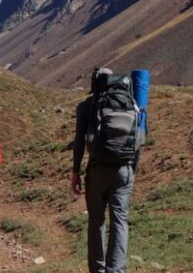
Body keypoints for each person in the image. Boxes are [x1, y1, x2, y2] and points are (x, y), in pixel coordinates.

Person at [71, 68, 141, 273]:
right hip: (124, 170)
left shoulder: (87, 106)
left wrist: (75, 172)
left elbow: (79, 142)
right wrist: (131, 170)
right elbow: (138, 140)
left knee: (97, 220)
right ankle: (116, 270)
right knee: (120, 220)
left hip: (97, 170)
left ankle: (98, 269)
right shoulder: (131, 105)